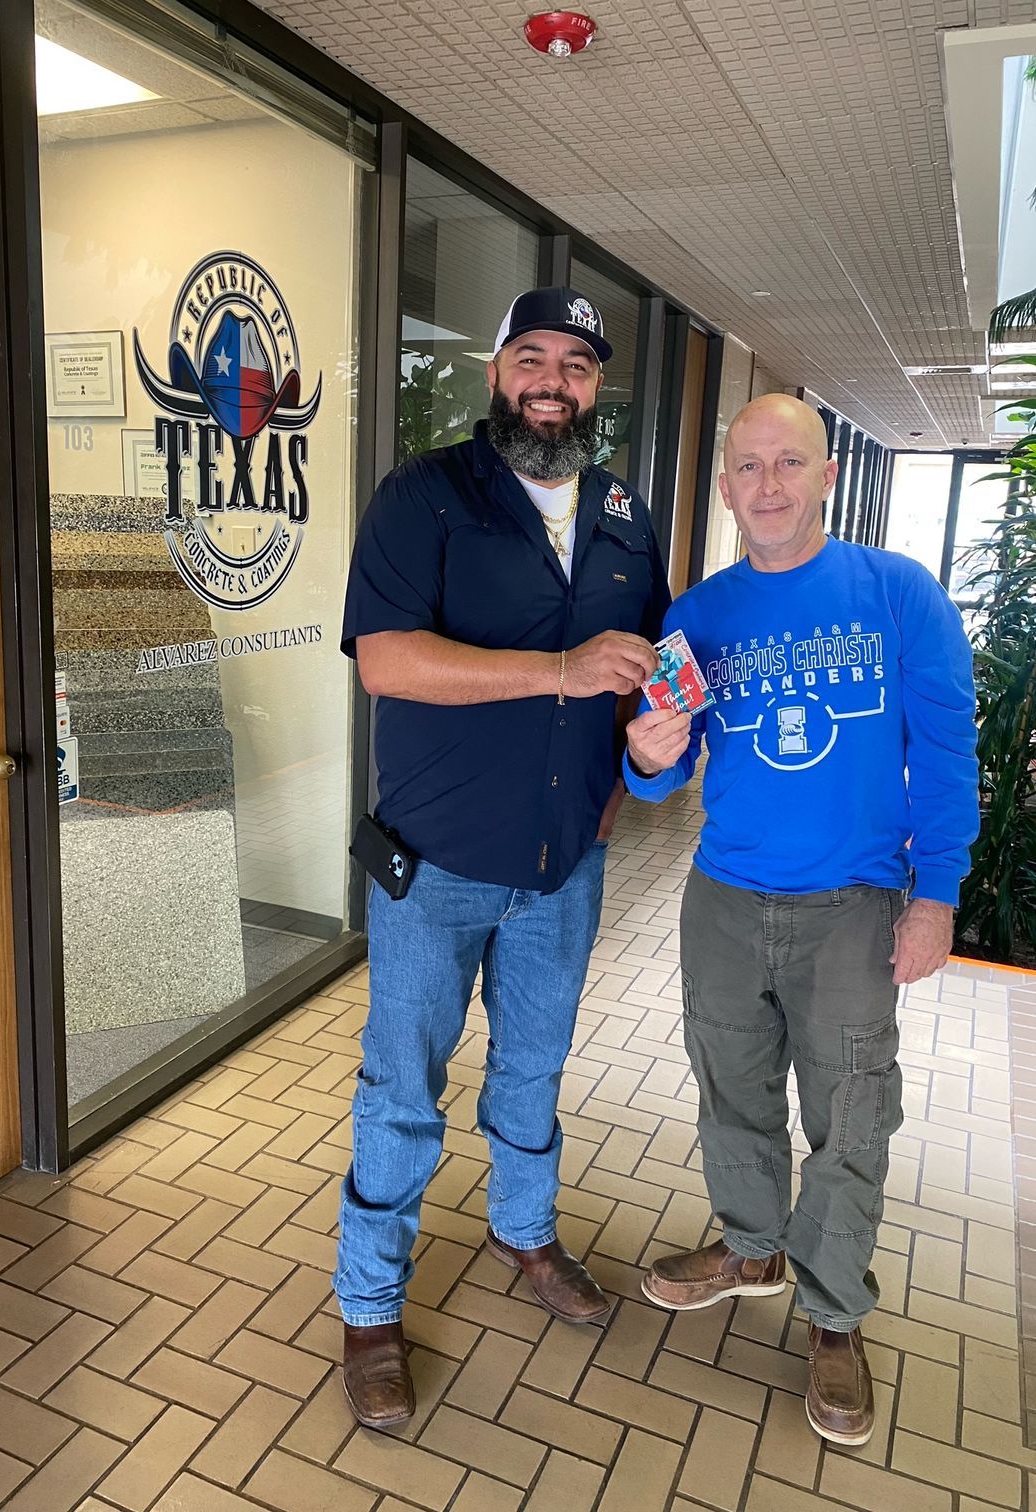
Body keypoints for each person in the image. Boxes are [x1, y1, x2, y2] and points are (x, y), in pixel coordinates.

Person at [335, 286, 670, 1427]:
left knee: (531, 1076)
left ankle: (526, 1234)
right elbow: (387, 660)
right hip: (433, 867)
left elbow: (649, 683)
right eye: (533, 357)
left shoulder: (627, 515)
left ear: (595, 388)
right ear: (496, 372)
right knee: (402, 1094)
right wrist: (561, 668)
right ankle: (370, 1304)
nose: (553, 381)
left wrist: (618, 796)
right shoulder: (425, 495)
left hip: (563, 873)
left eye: (576, 365)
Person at [624, 394, 978, 1447]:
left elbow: (948, 755)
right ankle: (752, 1249)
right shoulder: (696, 616)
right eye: (747, 466)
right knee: (730, 1094)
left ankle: (831, 1312)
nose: (767, 484)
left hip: (852, 910)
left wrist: (938, 893)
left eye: (789, 463)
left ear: (826, 476)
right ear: (726, 484)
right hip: (725, 900)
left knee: (851, 1114)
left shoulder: (897, 594)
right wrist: (647, 750)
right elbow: (660, 776)